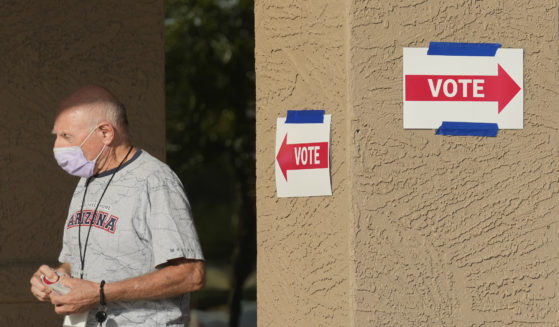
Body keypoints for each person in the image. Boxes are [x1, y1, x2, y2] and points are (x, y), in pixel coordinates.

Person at [29, 85, 205, 327]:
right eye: (56, 136)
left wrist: (100, 293)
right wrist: (54, 278)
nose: (57, 146)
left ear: (105, 133)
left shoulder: (155, 181)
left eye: (67, 136)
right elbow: (76, 262)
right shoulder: (87, 181)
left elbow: (191, 274)